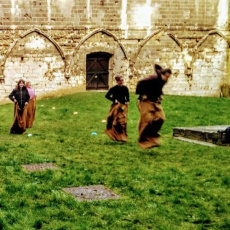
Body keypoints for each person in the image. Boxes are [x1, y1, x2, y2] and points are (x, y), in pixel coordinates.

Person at [136, 64, 172, 149]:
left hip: (155, 101)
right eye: (166, 77)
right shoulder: (153, 78)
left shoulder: (163, 80)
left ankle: (152, 136)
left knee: (161, 118)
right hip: (145, 101)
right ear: (162, 75)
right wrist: (143, 94)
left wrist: (161, 95)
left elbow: (158, 88)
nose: (167, 79)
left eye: (168, 77)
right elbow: (140, 83)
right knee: (147, 120)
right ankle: (144, 140)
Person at [105, 75, 130, 142]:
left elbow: (127, 97)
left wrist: (127, 102)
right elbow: (107, 96)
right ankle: (115, 136)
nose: (121, 82)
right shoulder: (113, 88)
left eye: (122, 80)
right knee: (115, 122)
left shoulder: (125, 88)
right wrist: (114, 100)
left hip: (123, 107)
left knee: (122, 122)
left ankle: (123, 137)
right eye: (119, 81)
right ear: (117, 81)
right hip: (115, 106)